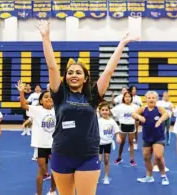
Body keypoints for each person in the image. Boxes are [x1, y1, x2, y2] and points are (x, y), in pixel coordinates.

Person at [36, 20, 140, 195]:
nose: (73, 75)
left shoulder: (92, 95)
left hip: (88, 155)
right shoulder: (59, 93)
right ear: (65, 77)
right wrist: (46, 38)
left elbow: (108, 71)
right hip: (62, 153)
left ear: (85, 78)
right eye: (70, 72)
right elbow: (52, 66)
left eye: (78, 72)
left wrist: (121, 44)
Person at [132, 91, 170, 185]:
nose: (151, 99)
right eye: (149, 98)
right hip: (147, 137)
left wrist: (160, 120)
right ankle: (149, 176)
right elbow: (133, 114)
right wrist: (138, 117)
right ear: (146, 99)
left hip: (158, 137)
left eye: (153, 98)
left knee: (158, 156)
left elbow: (166, 114)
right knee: (146, 157)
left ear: (156, 99)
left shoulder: (159, 109)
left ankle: (163, 176)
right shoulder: (143, 108)